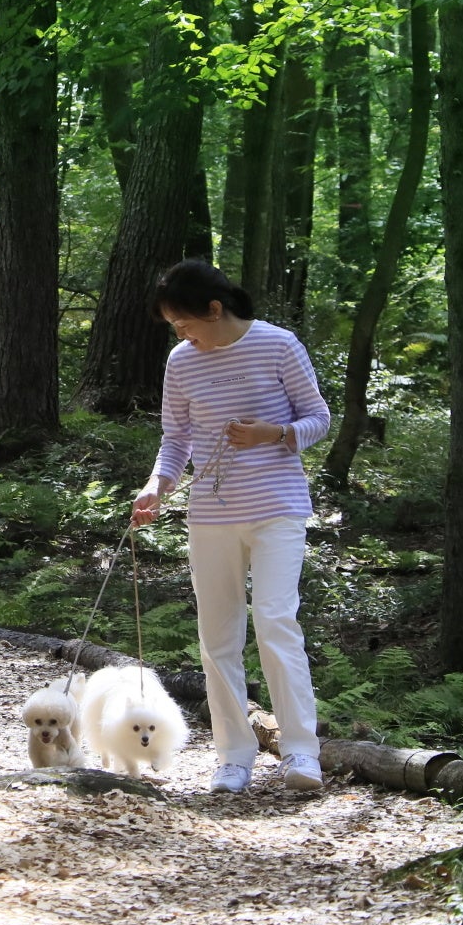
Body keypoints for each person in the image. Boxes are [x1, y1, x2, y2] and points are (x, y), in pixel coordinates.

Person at [131, 260, 330, 794]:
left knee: (274, 620)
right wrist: (156, 485)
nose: (181, 333)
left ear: (215, 310)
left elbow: (318, 418)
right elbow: (176, 439)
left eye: (185, 322)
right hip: (212, 514)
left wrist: (274, 433)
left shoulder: (278, 344)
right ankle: (234, 756)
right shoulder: (181, 361)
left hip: (277, 508)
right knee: (217, 636)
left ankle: (300, 753)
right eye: (175, 326)